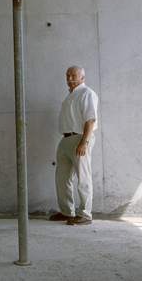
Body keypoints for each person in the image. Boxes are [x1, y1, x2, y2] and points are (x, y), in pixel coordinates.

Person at [49, 65, 98, 225]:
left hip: (79, 139)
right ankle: (67, 212)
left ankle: (85, 214)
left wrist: (84, 142)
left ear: (82, 77)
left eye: (74, 76)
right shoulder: (71, 96)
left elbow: (90, 119)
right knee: (62, 179)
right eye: (68, 75)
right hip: (66, 140)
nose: (69, 78)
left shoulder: (86, 93)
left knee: (83, 177)